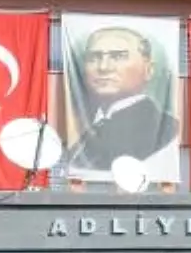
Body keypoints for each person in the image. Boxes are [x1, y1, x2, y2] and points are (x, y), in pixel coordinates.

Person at [65, 26, 180, 173]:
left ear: (149, 70)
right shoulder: (88, 131)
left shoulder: (166, 131)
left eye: (118, 57)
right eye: (93, 58)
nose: (104, 67)